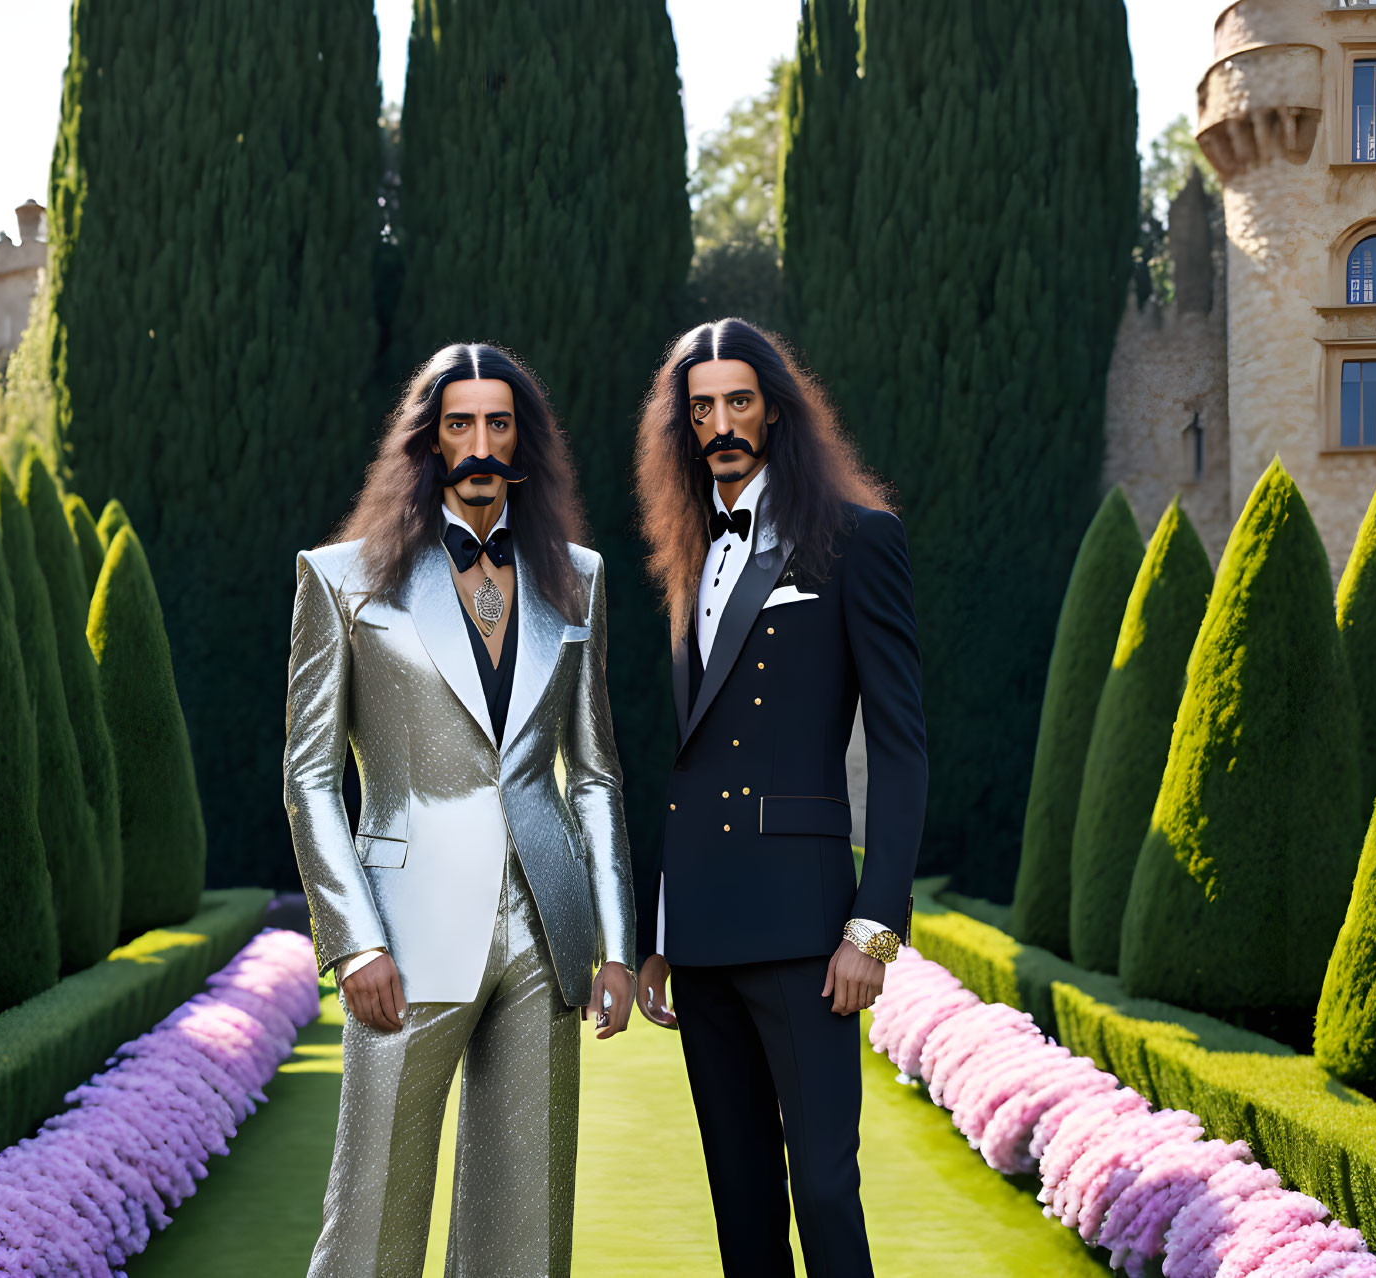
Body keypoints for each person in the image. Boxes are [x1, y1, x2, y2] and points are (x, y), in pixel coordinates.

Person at [283, 342, 635, 1277]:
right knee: (369, 1227)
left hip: (543, 931)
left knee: (525, 1232)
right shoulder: (339, 578)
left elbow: (594, 774)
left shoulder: (580, 578)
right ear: (429, 442)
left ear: (524, 440)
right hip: (401, 933)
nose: (480, 444)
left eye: (498, 423)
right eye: (459, 425)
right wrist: (352, 938)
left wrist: (617, 944)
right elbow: (309, 775)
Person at [631, 317, 928, 1277]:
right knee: (741, 1201)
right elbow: (682, 762)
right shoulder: (683, 554)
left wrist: (872, 926)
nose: (720, 423)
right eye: (701, 407)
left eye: (739, 402)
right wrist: (656, 933)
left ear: (776, 411)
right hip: (704, 932)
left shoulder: (856, 540)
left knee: (826, 1193)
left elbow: (899, 747)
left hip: (807, 931)